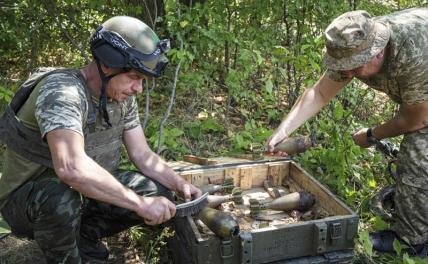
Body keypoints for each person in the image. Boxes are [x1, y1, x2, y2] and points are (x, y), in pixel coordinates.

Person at [0, 16, 202, 263]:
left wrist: (179, 184)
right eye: (134, 77)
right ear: (107, 66)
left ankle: (82, 240)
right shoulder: (62, 93)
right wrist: (139, 204)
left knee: (154, 189)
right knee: (61, 199)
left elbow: (142, 155)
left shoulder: (121, 97)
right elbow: (71, 168)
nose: (138, 88)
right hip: (29, 204)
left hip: (79, 195)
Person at [268, 8, 428, 255]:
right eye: (344, 67)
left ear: (377, 51)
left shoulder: (413, 53)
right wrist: (283, 131)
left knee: (417, 153)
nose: (348, 74)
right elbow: (319, 93)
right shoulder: (351, 46)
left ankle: (411, 242)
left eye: (355, 67)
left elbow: (416, 120)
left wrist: (372, 134)